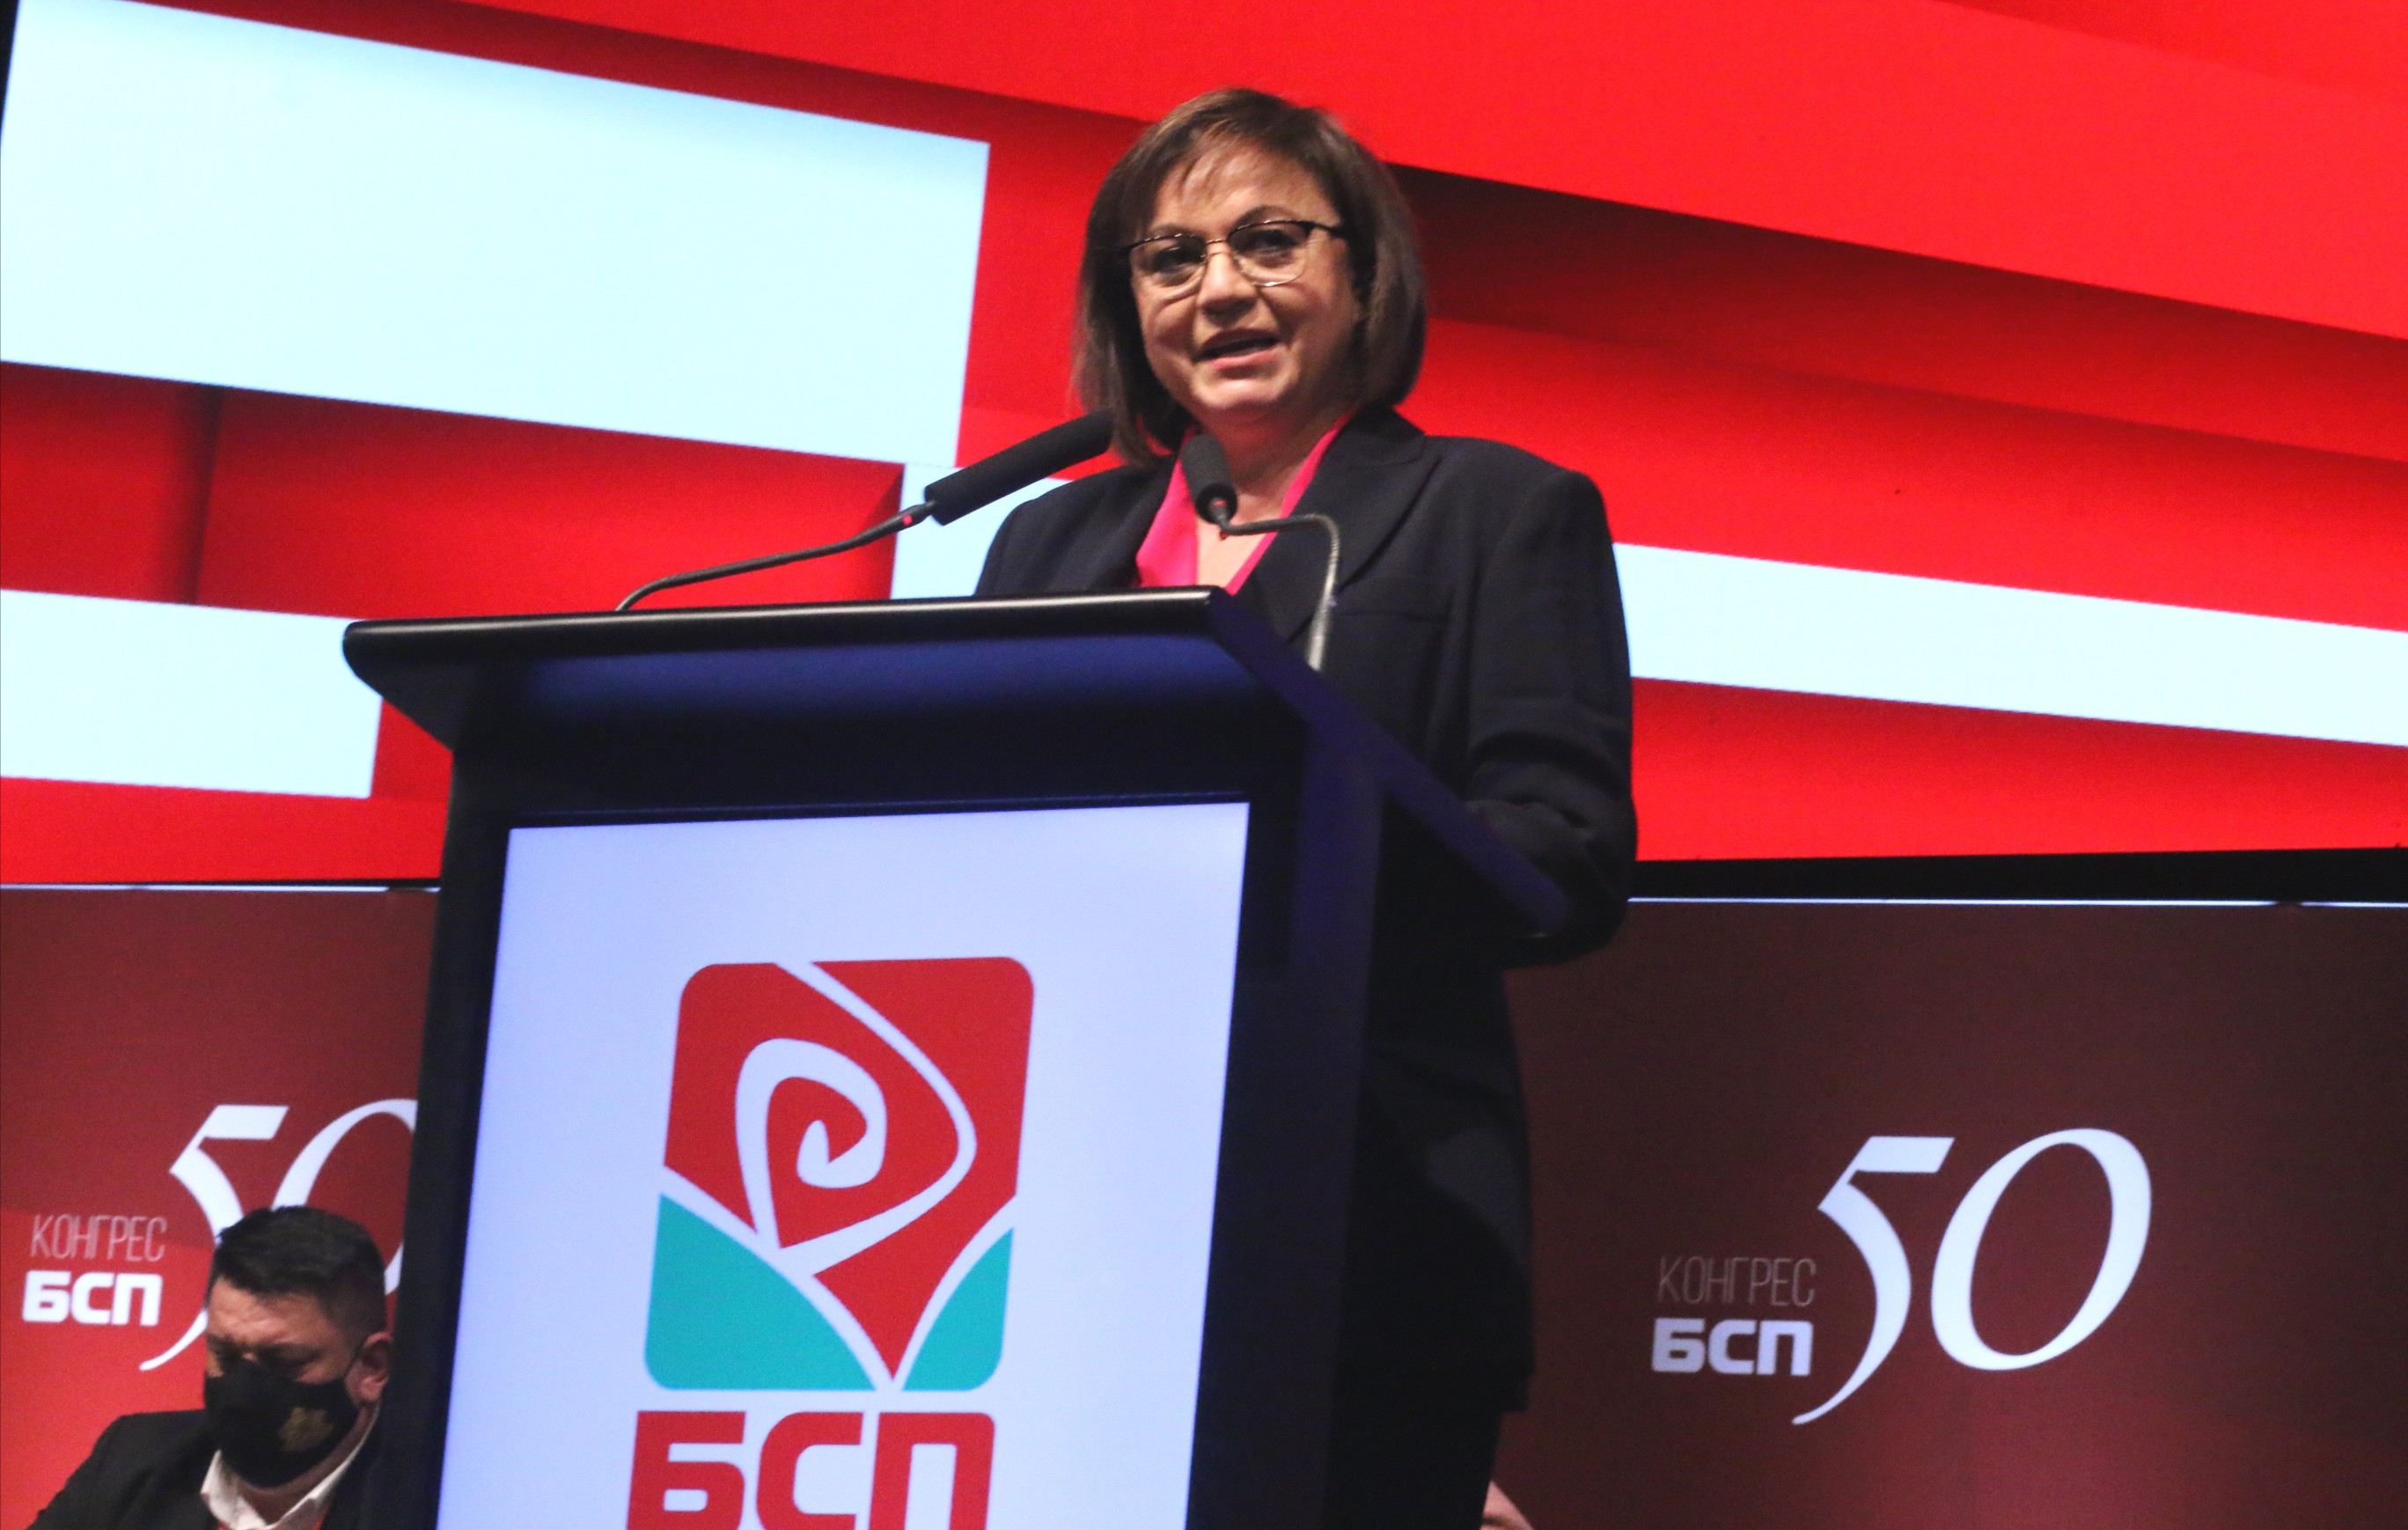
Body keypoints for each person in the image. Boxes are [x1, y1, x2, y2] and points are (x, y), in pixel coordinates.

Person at [977, 88, 1635, 1530]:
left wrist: (1304, 860)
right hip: (1059, 1222)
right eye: (1172, 258)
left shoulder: (1492, 511)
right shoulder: (1048, 542)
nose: (1220, 288)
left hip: (1369, 1214)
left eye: (1270, 240)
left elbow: (1566, 851)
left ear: (1365, 273)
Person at [33, 1207, 391, 1530]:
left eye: (284, 1361)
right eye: (225, 1353)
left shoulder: (414, 1499)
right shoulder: (131, 1460)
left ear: (372, 1367)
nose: (245, 1390)